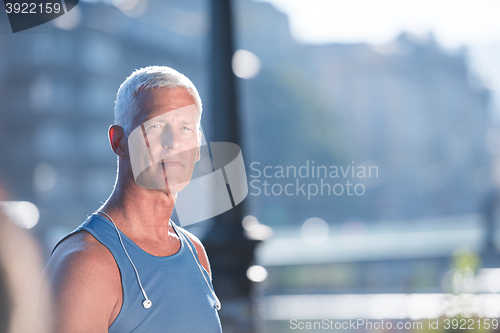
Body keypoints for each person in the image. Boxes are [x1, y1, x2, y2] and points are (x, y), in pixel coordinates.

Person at [44, 66, 223, 332]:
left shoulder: (194, 252)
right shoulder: (85, 263)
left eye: (185, 127)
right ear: (118, 141)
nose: (173, 142)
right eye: (156, 125)